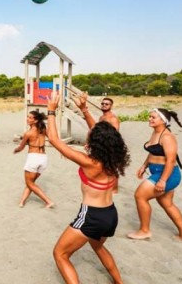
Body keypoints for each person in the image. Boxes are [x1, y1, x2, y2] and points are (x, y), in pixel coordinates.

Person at [46, 92, 130, 284]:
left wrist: (51, 111)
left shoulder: (90, 162)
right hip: (110, 214)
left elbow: (54, 140)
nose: (89, 133)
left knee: (60, 254)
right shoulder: (113, 157)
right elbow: (102, 133)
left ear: (95, 140)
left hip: (91, 216)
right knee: (98, 247)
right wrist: (84, 109)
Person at [127, 108, 182, 242]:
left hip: (168, 174)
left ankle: (144, 231)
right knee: (167, 203)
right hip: (158, 172)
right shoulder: (155, 133)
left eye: (153, 117)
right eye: (150, 117)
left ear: (163, 120)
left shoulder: (167, 136)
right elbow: (153, 151)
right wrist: (144, 166)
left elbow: (171, 160)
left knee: (140, 196)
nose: (150, 119)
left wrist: (162, 180)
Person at [73, 92, 121, 193]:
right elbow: (94, 130)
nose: (104, 105)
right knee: (104, 166)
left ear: (111, 106)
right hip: (101, 145)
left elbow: (114, 134)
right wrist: (89, 141)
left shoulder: (113, 118)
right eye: (103, 103)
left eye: (106, 104)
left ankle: (115, 189)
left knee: (112, 167)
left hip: (110, 146)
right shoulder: (102, 117)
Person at [13, 110, 53, 208]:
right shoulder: (43, 129)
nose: (27, 119)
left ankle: (48, 201)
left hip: (33, 158)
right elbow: (52, 139)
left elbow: (21, 147)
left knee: (29, 183)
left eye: (30, 117)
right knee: (31, 183)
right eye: (27, 116)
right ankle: (22, 201)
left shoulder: (28, 133)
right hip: (43, 158)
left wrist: (16, 150)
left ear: (35, 121)